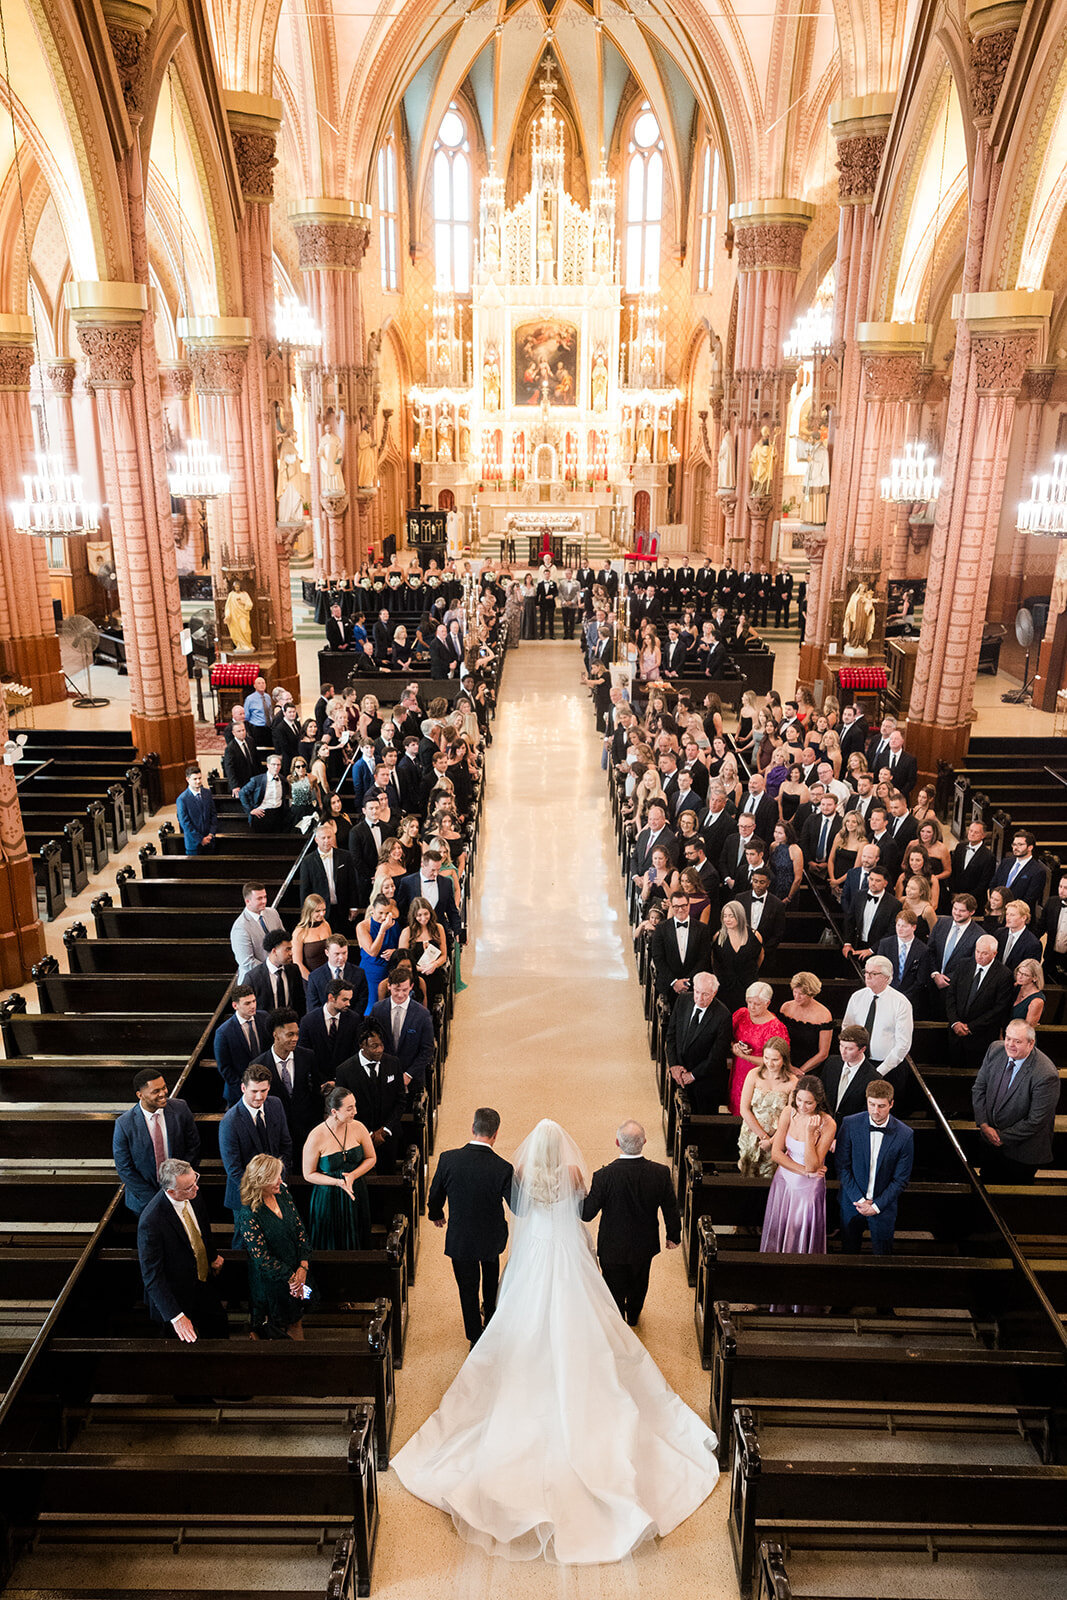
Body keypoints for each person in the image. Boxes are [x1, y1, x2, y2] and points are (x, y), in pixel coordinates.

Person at [392, 1118, 719, 1563]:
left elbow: (522, 1212)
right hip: (566, 1249)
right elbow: (583, 1211)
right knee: (590, 1310)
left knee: (518, 1313)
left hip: (537, 1250)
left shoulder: (522, 1174)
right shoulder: (574, 1174)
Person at [426, 1107, 514, 1347]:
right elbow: (516, 1205)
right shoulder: (503, 1168)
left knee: (467, 1287)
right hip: (491, 1237)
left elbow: (435, 1195)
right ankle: (492, 1320)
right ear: (496, 1134)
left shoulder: (448, 1159)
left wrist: (436, 1214)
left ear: (473, 1128)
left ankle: (475, 1335)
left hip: (461, 1238)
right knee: (490, 1279)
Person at [581, 1119, 680, 1326]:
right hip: (644, 1245)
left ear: (617, 1143)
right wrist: (673, 1236)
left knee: (613, 1286)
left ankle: (617, 1321)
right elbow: (670, 1207)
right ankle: (634, 1316)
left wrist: (576, 1195)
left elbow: (587, 1213)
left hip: (613, 1246)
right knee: (639, 1283)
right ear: (644, 1141)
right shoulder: (660, 1173)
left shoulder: (604, 1176)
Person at [759, 1077, 835, 1309]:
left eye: (809, 1103)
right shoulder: (788, 1113)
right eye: (799, 1100)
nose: (802, 1106)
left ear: (818, 1102)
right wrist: (803, 1170)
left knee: (799, 1235)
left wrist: (811, 1135)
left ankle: (797, 1296)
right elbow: (777, 1154)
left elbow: (814, 1165)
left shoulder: (827, 1123)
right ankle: (772, 1290)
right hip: (784, 1183)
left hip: (808, 1191)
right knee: (779, 1231)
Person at [137, 1160, 227, 1342]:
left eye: (196, 1180)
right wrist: (177, 1317)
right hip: (176, 1296)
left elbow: (203, 1231)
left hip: (201, 1281)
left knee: (219, 1328)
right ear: (171, 1191)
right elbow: (152, 1276)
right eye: (188, 1187)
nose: (196, 1188)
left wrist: (212, 1256)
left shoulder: (192, 1194)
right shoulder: (151, 1221)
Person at [234, 1153, 315, 1339]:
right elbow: (262, 1258)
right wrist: (292, 1278)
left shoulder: (283, 1194)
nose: (280, 1180)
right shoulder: (249, 1213)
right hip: (272, 1280)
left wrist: (303, 1265)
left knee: (296, 1321)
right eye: (275, 1178)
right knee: (271, 1331)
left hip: (297, 1269)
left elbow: (299, 1229)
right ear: (260, 1181)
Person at [972, 1021, 1059, 1184]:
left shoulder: (1046, 1074)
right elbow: (979, 1088)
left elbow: (1036, 1121)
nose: (1010, 1045)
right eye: (1008, 1038)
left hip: (1022, 1153)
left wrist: (1000, 1137)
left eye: (1017, 1041)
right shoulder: (995, 1050)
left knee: (1013, 1203)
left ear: (1031, 1043)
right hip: (989, 1143)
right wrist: (983, 1125)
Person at [835, 1078, 914, 1254]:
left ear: (891, 1104)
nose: (875, 1111)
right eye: (871, 1104)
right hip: (852, 1202)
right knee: (848, 1252)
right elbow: (842, 1167)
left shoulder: (905, 1134)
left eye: (881, 1106)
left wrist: (875, 1206)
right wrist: (861, 1201)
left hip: (883, 1206)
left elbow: (900, 1180)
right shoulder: (850, 1124)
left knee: (882, 1255)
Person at [113, 1069, 201, 1215]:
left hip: (182, 1193)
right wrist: (155, 1199)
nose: (163, 1093)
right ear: (140, 1095)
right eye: (156, 1091)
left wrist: (180, 1186)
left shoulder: (180, 1109)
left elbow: (193, 1146)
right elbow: (124, 1168)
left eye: (164, 1087)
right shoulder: (124, 1124)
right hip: (145, 1201)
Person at [302, 1085, 376, 1248]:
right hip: (328, 1195)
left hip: (356, 1189)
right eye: (349, 1108)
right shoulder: (316, 1136)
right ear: (334, 1112)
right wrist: (337, 1182)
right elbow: (308, 1174)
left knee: (358, 1234)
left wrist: (353, 1175)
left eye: (355, 1106)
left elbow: (371, 1158)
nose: (355, 1111)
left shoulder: (358, 1127)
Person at [334, 1020, 407, 1173]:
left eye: (381, 1045)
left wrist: (385, 1130)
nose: (380, 1050)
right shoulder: (344, 1071)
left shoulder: (393, 1063)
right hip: (357, 1139)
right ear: (362, 1046)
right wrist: (368, 1134)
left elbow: (400, 1101)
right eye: (374, 1046)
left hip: (388, 1136)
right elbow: (343, 1109)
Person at [218, 1065, 292, 1214]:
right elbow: (234, 1169)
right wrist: (262, 1192)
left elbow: (286, 1145)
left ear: (269, 1087)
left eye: (263, 1091)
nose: (259, 1097)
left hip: (276, 1189)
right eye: (254, 1091)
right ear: (243, 1088)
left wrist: (278, 1181)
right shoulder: (230, 1121)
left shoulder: (275, 1104)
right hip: (246, 1195)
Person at [841, 955, 913, 1092]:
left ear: (886, 977)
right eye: (866, 972)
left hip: (887, 1067)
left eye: (873, 973)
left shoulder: (900, 1003)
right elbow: (847, 1028)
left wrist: (880, 1071)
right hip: (859, 1062)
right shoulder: (857, 997)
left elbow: (903, 1044)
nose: (868, 976)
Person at [665, 970, 732, 1113]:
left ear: (714, 993)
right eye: (697, 992)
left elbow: (717, 1056)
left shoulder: (723, 1016)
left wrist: (692, 1075)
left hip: (705, 1082)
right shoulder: (683, 1000)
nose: (699, 998)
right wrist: (674, 1064)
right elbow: (671, 1035)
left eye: (705, 994)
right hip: (678, 1074)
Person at [945, 934, 1015, 1070]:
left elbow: (999, 1009)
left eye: (984, 953)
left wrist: (970, 1027)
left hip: (981, 1037)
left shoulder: (1004, 975)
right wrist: (955, 1022)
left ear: (994, 954)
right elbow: (951, 995)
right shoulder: (963, 965)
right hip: (955, 1033)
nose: (979, 956)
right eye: (977, 951)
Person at [737, 1038, 795, 1179]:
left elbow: (790, 1118)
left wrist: (771, 1141)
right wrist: (762, 1136)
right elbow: (744, 1109)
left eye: (775, 1059)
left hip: (777, 1138)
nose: (769, 1063)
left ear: (784, 1059)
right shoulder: (754, 1075)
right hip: (751, 1134)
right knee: (747, 1175)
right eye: (766, 1058)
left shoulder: (793, 1082)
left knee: (769, 1178)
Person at [728, 980, 788, 1115]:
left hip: (761, 1076)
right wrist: (735, 1047)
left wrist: (744, 1056)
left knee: (752, 1112)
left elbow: (777, 1061)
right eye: (749, 1002)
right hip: (738, 1070)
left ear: (767, 1003)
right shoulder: (741, 1014)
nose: (752, 1007)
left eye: (757, 1004)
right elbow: (727, 1038)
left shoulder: (775, 1027)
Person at [370, 966, 435, 1090]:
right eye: (396, 989)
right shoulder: (378, 1010)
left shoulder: (422, 1014)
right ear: (389, 986)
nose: (400, 995)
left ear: (411, 987)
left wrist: (409, 1074)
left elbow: (427, 1049)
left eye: (405, 990)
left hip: (412, 1079)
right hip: (382, 1076)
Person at [213, 983, 272, 1104]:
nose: (253, 1006)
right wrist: (246, 1088)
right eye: (247, 1003)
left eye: (254, 1001)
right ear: (235, 1005)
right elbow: (225, 1068)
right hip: (239, 1092)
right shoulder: (224, 1032)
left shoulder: (264, 1017)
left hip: (266, 1086)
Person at [299, 822, 359, 928]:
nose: (326, 841)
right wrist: (306, 912)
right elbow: (305, 889)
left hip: (342, 907)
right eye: (323, 838)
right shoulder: (307, 861)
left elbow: (352, 883)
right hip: (319, 911)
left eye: (329, 837)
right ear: (316, 840)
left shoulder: (345, 856)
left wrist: (354, 906)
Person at [715, 899, 764, 1018]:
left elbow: (760, 957)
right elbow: (714, 961)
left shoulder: (755, 935)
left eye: (731, 916)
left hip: (748, 984)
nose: (727, 919)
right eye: (725, 916)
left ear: (740, 916)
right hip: (725, 986)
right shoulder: (718, 936)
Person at [779, 971, 833, 1076]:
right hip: (784, 1063)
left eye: (802, 994)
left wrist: (800, 1071)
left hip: (810, 1067)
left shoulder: (824, 1015)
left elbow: (823, 1053)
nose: (797, 997)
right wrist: (788, 1066)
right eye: (795, 992)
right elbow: (778, 1040)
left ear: (811, 994)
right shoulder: (786, 1007)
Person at [820, 1024, 877, 1122]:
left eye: (849, 1049)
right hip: (824, 1124)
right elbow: (821, 1093)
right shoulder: (831, 1063)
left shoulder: (873, 1077)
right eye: (841, 1046)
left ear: (862, 1049)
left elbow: (865, 1113)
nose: (843, 1051)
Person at [230, 882, 284, 980]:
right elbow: (247, 962)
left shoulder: (273, 913)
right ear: (247, 901)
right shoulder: (240, 927)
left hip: (277, 975)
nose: (264, 901)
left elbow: (283, 939)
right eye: (259, 898)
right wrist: (272, 967)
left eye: (265, 897)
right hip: (255, 980)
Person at [248, 928, 306, 1018]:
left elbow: (300, 1002)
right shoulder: (253, 978)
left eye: (291, 949)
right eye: (287, 949)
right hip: (266, 1028)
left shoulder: (294, 970)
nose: (291, 953)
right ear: (274, 951)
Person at [991, 829, 1045, 916]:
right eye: (1014, 844)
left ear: (1030, 847)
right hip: (996, 912)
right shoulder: (1006, 862)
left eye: (1020, 845)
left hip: (1018, 915)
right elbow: (993, 884)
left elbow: (1030, 898)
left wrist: (1009, 908)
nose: (1015, 848)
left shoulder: (1038, 871)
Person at [240, 752, 291, 832]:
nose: (276, 767)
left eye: (278, 765)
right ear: (267, 765)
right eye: (273, 764)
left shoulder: (282, 779)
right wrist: (250, 810)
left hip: (278, 814)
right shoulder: (257, 780)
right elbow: (242, 793)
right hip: (262, 814)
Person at [175, 765, 217, 855]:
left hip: (209, 840)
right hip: (194, 844)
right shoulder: (182, 799)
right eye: (195, 779)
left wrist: (210, 834)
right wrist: (201, 839)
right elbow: (185, 823)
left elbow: (213, 814)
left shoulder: (207, 793)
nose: (198, 782)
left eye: (200, 778)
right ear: (187, 779)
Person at [292, 893, 333, 981]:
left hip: (328, 976)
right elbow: (297, 962)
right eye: (317, 911)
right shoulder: (299, 932)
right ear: (309, 911)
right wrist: (312, 980)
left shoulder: (326, 925)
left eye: (324, 910)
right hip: (310, 978)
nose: (322, 914)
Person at [1011, 957, 1045, 1029]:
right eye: (1019, 972)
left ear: (1035, 978)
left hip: (1020, 1036)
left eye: (1025, 975)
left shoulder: (1037, 1001)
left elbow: (1027, 1029)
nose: (1020, 977)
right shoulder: (1016, 986)